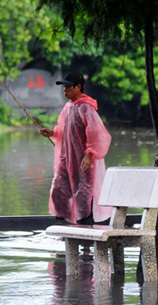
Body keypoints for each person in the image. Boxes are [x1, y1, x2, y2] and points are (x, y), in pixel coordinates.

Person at [39, 72, 112, 225]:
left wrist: (90, 155)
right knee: (59, 190)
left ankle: (86, 233)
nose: (64, 90)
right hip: (68, 160)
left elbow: (97, 134)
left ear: (78, 87)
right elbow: (65, 130)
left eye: (68, 87)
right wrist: (52, 133)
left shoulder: (86, 108)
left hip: (84, 162)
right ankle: (65, 227)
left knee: (84, 195)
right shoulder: (68, 107)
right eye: (64, 87)